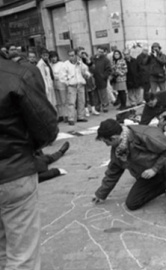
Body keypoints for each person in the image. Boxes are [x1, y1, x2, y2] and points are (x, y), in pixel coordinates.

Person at [0, 49, 59, 270]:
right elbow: (46, 128)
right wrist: (31, 147)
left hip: (13, 168)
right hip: (13, 171)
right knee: (22, 256)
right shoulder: (15, 74)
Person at [93, 119, 166, 221]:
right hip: (148, 174)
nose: (107, 145)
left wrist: (154, 169)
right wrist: (101, 193)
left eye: (106, 142)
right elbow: (114, 171)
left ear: (114, 138)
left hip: (164, 165)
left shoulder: (145, 134)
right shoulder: (118, 149)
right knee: (132, 203)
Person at [60, 48, 91, 125]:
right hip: (72, 85)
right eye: (70, 56)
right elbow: (62, 77)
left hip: (80, 84)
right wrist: (68, 82)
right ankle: (71, 118)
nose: (71, 57)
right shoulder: (65, 65)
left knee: (82, 101)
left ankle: (81, 116)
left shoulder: (80, 63)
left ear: (76, 55)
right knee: (71, 102)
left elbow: (86, 70)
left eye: (73, 55)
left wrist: (87, 75)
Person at [92, 46, 112, 113]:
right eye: (99, 51)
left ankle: (105, 106)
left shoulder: (106, 60)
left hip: (102, 79)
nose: (99, 53)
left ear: (103, 52)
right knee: (95, 94)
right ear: (96, 51)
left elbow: (109, 70)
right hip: (94, 78)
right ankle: (97, 106)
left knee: (103, 93)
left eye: (101, 52)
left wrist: (104, 76)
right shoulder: (93, 58)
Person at [50, 51, 68, 122]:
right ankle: (60, 115)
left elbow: (63, 73)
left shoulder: (61, 64)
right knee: (58, 101)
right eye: (52, 57)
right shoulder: (50, 65)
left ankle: (66, 115)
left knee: (64, 100)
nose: (53, 59)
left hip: (61, 83)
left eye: (54, 57)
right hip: (54, 84)